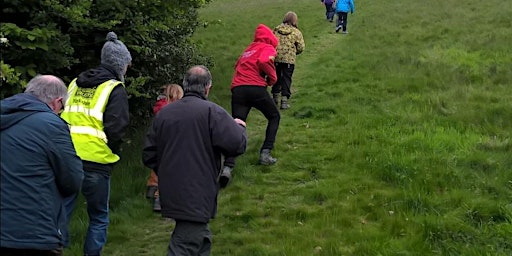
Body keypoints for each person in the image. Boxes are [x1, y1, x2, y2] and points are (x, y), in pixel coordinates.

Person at [142, 65, 247, 256]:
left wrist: (168, 171)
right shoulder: (212, 112)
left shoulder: (164, 114)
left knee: (200, 240)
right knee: (186, 243)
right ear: (208, 88)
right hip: (196, 192)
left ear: (185, 85)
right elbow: (236, 145)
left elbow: (149, 153)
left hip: (171, 190)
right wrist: (238, 128)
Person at [60, 31, 132, 256]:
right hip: (96, 161)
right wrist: (113, 150)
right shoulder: (114, 88)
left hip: (67, 158)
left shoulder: (74, 84)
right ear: (120, 64)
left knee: (61, 213)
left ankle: (53, 250)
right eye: (127, 65)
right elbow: (116, 127)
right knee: (99, 216)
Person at [0, 75, 84, 256]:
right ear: (57, 102)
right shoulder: (51, 124)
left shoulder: (4, 114)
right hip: (34, 232)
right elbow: (72, 180)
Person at [220, 23, 280, 186]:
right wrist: (272, 79)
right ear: (270, 38)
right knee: (274, 116)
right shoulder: (266, 47)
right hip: (255, 88)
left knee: (237, 125)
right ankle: (265, 153)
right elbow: (264, 61)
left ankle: (227, 167)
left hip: (238, 89)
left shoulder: (248, 50)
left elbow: (237, 65)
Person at [145, 84, 184, 212]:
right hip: (171, 144)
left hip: (158, 143)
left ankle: (152, 188)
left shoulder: (159, 107)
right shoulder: (173, 110)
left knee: (159, 167)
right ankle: (160, 198)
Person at [272, 11, 305, 109]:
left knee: (276, 77)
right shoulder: (296, 32)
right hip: (289, 60)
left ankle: (275, 98)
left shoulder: (276, 29)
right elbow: (301, 47)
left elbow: (270, 41)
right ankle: (284, 101)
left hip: (276, 57)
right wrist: (294, 53)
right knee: (286, 78)